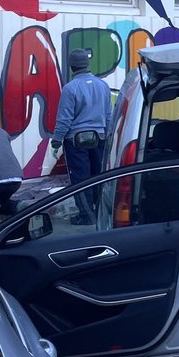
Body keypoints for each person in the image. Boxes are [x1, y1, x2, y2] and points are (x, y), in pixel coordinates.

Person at [52, 48, 112, 225]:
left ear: (71, 66)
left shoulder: (70, 88)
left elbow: (64, 118)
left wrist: (56, 139)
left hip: (76, 141)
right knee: (98, 176)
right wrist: (108, 136)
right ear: (87, 63)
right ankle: (100, 212)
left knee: (80, 179)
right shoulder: (103, 85)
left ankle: (86, 216)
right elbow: (109, 114)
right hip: (100, 138)